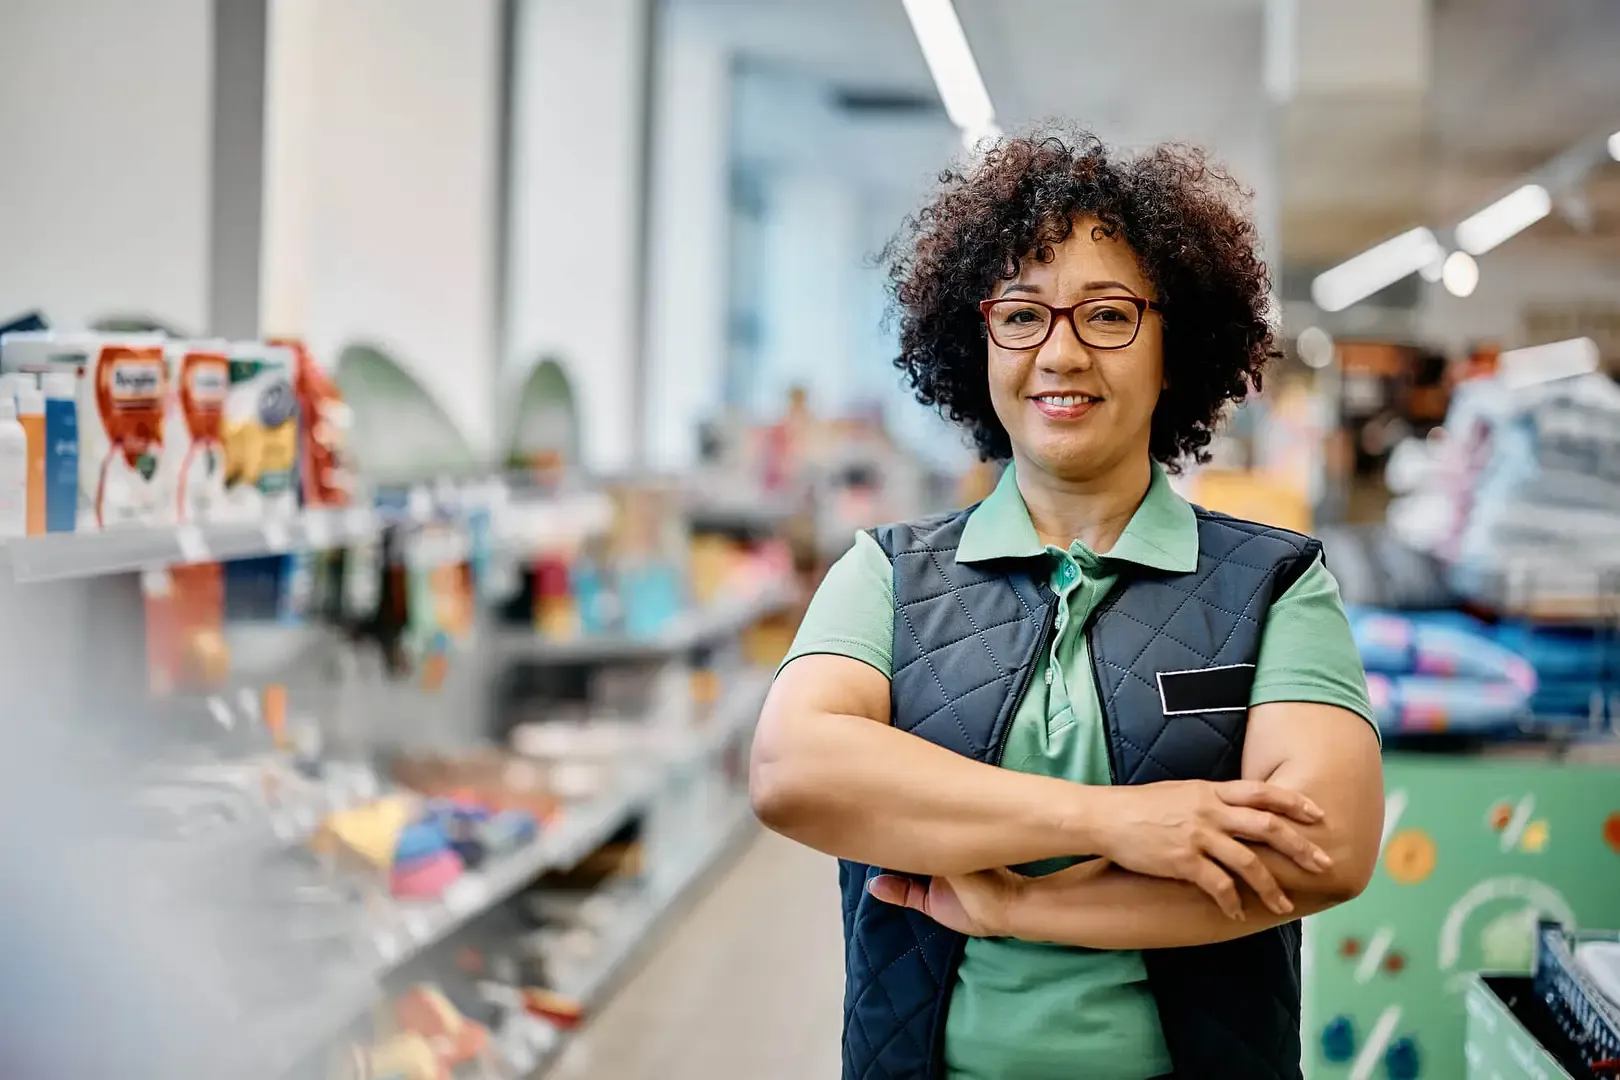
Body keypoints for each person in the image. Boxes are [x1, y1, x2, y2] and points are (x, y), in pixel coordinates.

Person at [749, 129, 1384, 1080]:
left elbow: (1321, 849)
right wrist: (1117, 823)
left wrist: (1018, 906)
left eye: (1108, 315)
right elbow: (794, 769)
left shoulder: (1274, 583)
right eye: (1023, 316)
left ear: (1176, 347)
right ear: (978, 342)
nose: (1061, 352)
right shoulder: (887, 573)